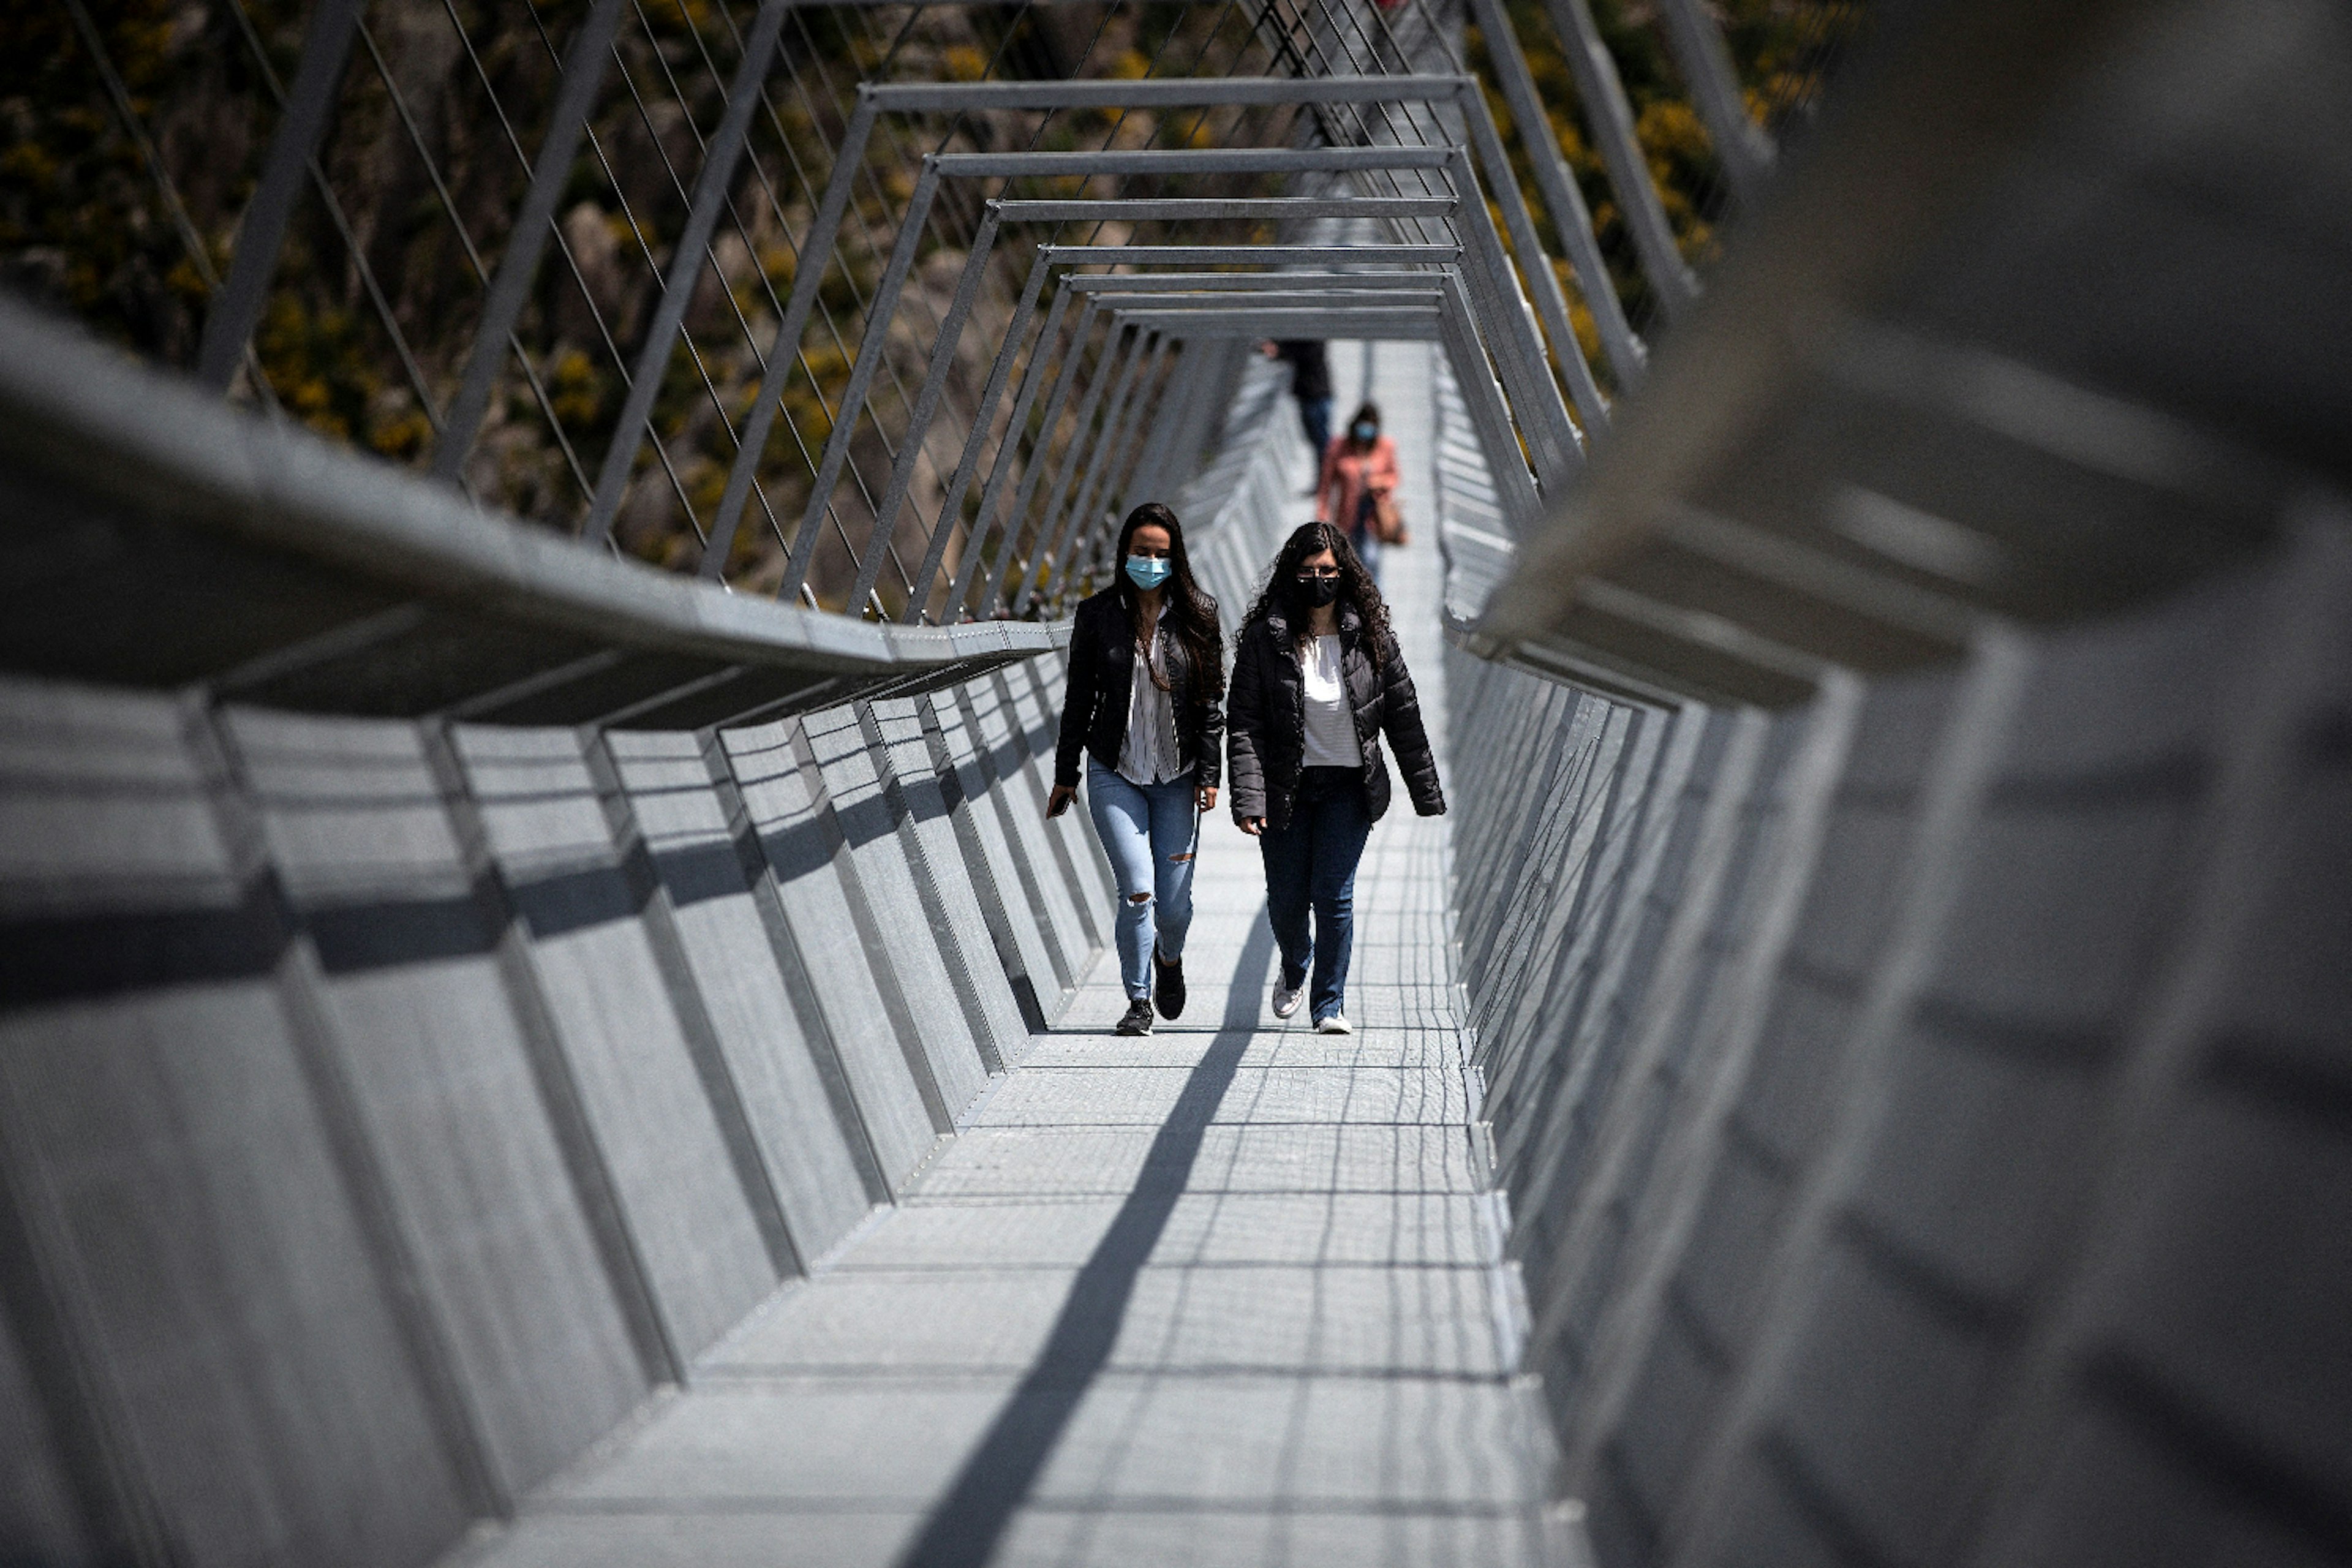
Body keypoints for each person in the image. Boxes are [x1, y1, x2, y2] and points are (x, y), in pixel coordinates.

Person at [1227, 521, 1444, 1033]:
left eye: (1327, 571)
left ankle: (1329, 1005)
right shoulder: (1265, 640)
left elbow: (1404, 717)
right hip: (1287, 788)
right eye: (1308, 572)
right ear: (1290, 575)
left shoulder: (1372, 640)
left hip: (1349, 787)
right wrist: (1249, 798)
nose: (1319, 580)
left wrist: (1426, 792)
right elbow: (1245, 725)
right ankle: (1296, 962)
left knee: (1333, 893)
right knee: (1286, 900)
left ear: (1344, 574)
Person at [1048, 502, 1226, 1036]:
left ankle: (1168, 960)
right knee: (1137, 891)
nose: (1150, 561)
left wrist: (1210, 775)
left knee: (1172, 908)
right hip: (1115, 772)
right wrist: (1066, 775)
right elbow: (1078, 699)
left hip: (1178, 777)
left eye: (1161, 554)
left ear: (1176, 560)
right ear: (1125, 552)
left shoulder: (1199, 614)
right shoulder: (1098, 615)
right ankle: (1138, 1000)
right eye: (1141, 552)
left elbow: (1211, 703)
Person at [1316, 401, 1400, 584]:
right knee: (1347, 560)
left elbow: (1394, 477)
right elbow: (1326, 485)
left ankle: (1374, 604)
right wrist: (1322, 513)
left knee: (1370, 559)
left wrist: (1378, 482)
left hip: (1374, 514)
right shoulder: (1339, 447)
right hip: (1348, 514)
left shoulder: (1385, 446)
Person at [1262, 339, 1332, 489]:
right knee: (1316, 440)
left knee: (1321, 442)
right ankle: (1323, 480)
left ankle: (1326, 481)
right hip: (1310, 394)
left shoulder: (1314, 338)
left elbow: (1306, 353)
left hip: (1316, 394)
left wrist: (1279, 351)